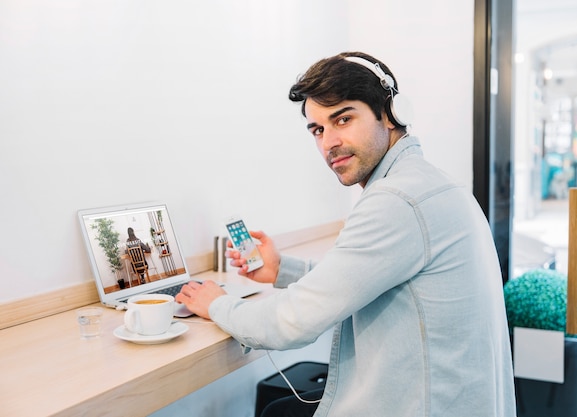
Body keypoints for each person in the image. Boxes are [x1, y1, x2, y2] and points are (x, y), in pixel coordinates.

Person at [176, 51, 516, 417]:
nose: (328, 143)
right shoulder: (431, 183)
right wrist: (281, 270)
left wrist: (216, 303)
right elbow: (360, 281)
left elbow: (291, 323)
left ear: (389, 114)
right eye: (318, 129)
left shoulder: (396, 201)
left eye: (343, 119)